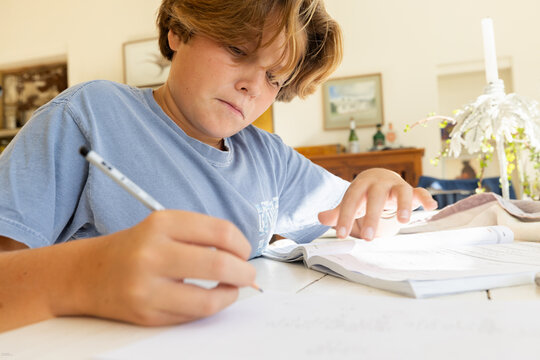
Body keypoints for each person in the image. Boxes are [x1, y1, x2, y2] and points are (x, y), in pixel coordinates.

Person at [0, 0, 436, 332]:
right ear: (177, 30)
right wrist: (85, 275)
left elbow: (356, 221)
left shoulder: (268, 155)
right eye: (237, 49)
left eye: (274, 78)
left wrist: (379, 188)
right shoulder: (90, 115)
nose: (251, 85)